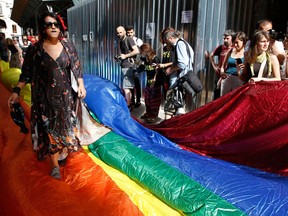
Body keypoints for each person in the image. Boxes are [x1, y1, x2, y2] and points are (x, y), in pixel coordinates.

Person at [7, 11, 87, 180]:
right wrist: (16, 91)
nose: (52, 27)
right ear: (43, 29)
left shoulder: (68, 47)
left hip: (66, 97)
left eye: (55, 24)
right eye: (48, 24)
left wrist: (81, 85)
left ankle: (63, 151)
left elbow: (77, 68)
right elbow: (26, 73)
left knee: (65, 127)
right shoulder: (35, 50)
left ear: (60, 27)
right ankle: (55, 165)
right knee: (49, 128)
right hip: (44, 98)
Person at [160, 28, 194, 115]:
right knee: (179, 104)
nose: (166, 43)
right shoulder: (185, 43)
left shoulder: (180, 45)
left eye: (166, 40)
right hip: (183, 76)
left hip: (180, 78)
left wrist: (171, 69)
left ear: (170, 38)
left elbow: (182, 63)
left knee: (178, 104)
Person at [116, 25, 140, 110]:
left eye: (120, 32)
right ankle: (130, 103)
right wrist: (120, 57)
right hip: (125, 66)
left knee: (126, 88)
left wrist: (125, 56)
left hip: (128, 67)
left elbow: (136, 50)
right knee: (127, 87)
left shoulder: (129, 40)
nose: (119, 34)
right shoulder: (121, 41)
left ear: (124, 32)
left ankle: (128, 105)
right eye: (118, 33)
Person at [139, 43, 163, 123]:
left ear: (145, 51)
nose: (141, 54)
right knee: (147, 99)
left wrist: (154, 81)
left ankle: (153, 116)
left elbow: (158, 71)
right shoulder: (146, 60)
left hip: (155, 83)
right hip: (148, 82)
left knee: (154, 100)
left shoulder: (155, 59)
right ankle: (148, 113)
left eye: (142, 52)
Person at [219, 31, 247, 96]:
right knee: (224, 100)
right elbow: (223, 66)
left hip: (239, 80)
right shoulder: (231, 50)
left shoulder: (246, 54)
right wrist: (222, 73)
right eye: (234, 42)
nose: (235, 45)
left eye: (237, 43)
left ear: (243, 42)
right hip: (227, 79)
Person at [209, 29, 235, 99]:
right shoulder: (222, 47)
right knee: (217, 95)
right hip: (219, 75)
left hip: (228, 76)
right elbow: (211, 55)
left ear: (232, 38)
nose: (225, 40)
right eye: (224, 38)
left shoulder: (234, 48)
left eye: (227, 38)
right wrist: (214, 66)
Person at [126, 25, 143, 108]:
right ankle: (132, 100)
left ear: (134, 32)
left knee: (136, 81)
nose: (129, 34)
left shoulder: (138, 41)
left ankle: (138, 100)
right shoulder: (125, 41)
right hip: (129, 65)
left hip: (137, 64)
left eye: (131, 32)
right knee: (130, 83)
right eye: (128, 32)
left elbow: (142, 52)